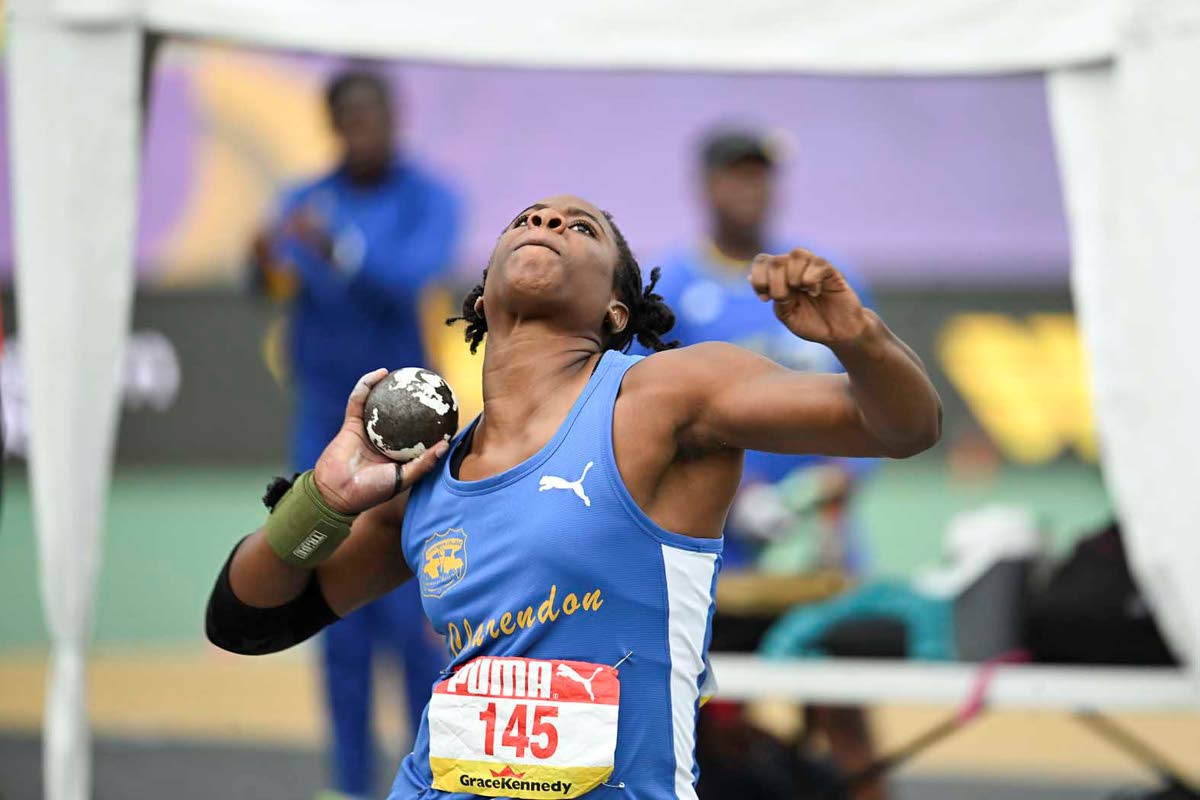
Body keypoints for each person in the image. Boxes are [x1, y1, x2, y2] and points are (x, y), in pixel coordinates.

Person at [210, 194, 941, 800]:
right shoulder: (431, 475)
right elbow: (248, 622)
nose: (548, 224)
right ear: (481, 294)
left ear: (618, 311)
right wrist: (326, 501)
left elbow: (902, 426)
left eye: (580, 226)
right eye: (526, 220)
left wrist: (861, 340)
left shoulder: (664, 398)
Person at [649, 128, 884, 799]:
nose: (749, 189)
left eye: (761, 175)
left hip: (821, 563)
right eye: (734, 174)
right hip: (720, 567)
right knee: (708, 728)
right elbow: (651, 418)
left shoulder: (825, 281)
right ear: (705, 185)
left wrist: (838, 482)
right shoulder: (674, 289)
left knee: (847, 721)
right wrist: (738, 494)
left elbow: (881, 401)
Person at [248, 67, 461, 799]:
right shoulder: (303, 199)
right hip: (322, 423)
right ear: (334, 124)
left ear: (395, 119)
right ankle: (348, 786)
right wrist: (260, 256)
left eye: (377, 115)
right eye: (351, 117)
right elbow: (270, 281)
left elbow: (409, 276)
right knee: (333, 612)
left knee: (412, 617)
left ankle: (427, 780)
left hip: (405, 424)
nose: (365, 129)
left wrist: (335, 247)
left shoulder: (427, 197)